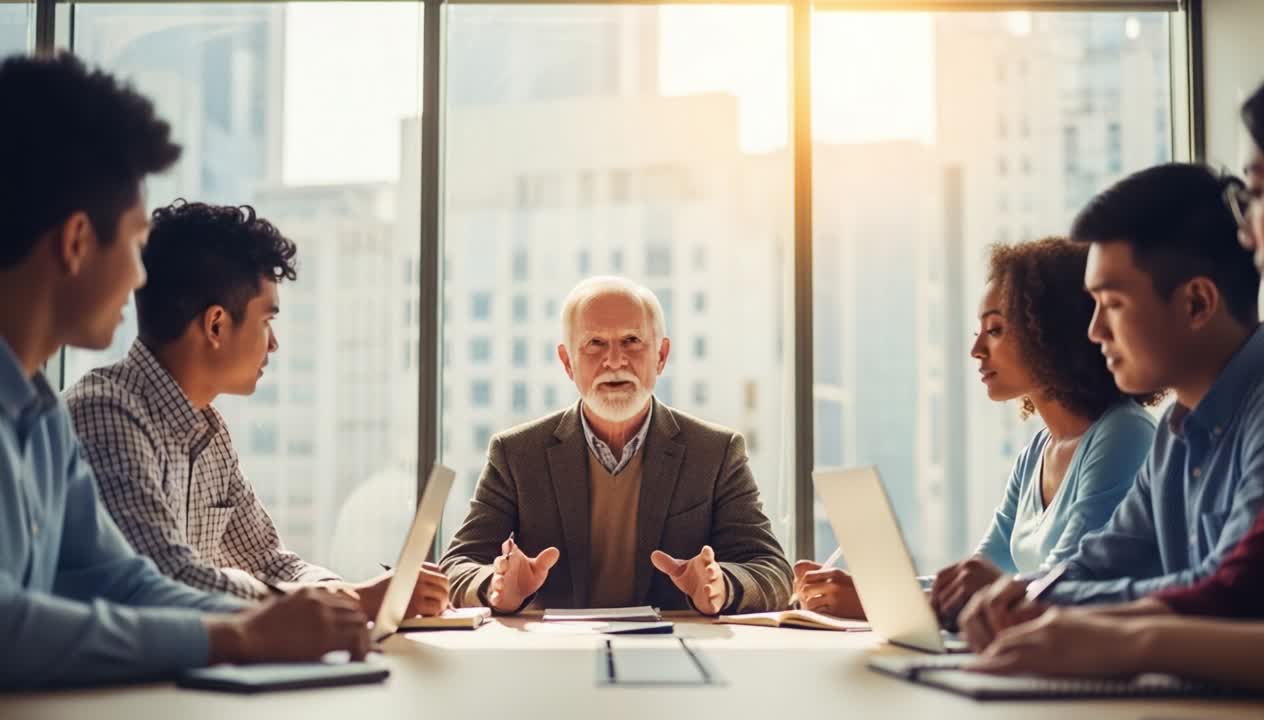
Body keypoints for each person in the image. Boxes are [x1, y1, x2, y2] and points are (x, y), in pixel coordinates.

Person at [0, 53, 368, 689]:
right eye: (138, 245)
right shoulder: (95, 409)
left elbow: (122, 577)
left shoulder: (41, 417)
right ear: (77, 241)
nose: (144, 279)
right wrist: (242, 633)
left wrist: (284, 625)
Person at [957, 69, 1264, 692]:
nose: (1095, 331)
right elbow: (1103, 560)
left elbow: (1234, 590)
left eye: (1112, 304)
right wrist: (1028, 596)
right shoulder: (1178, 431)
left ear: (1195, 304)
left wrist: (1055, 609)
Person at [65, 199, 449, 621]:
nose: (274, 343)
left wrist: (352, 594)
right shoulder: (106, 414)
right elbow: (166, 580)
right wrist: (351, 601)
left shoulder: (208, 431)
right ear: (215, 325)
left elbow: (269, 560)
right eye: (266, 321)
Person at [792, 238, 1158, 620]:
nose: (977, 350)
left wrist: (878, 604)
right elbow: (974, 579)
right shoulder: (1037, 452)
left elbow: (1062, 588)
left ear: (1050, 333)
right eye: (978, 331)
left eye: (996, 330)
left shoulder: (1123, 437)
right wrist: (871, 591)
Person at [440, 276, 791, 614]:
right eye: (595, 344)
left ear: (661, 356)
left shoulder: (715, 452)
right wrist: (494, 586)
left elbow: (773, 571)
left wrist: (723, 585)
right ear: (567, 363)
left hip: (673, 653)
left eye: (632, 341)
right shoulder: (515, 454)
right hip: (554, 658)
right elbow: (456, 566)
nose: (614, 360)